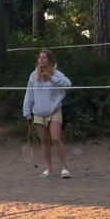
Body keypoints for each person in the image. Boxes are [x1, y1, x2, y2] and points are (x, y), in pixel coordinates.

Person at [22, 49, 72, 178]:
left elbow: (68, 84)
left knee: (55, 138)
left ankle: (65, 168)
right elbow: (29, 94)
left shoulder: (56, 74)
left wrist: (50, 78)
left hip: (54, 111)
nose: (41, 60)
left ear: (49, 60)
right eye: (39, 58)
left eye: (44, 58)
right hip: (38, 112)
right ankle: (49, 169)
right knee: (44, 141)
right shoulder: (34, 75)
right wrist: (27, 112)